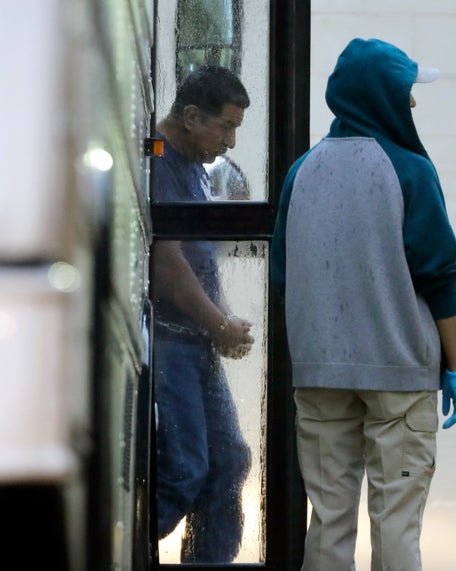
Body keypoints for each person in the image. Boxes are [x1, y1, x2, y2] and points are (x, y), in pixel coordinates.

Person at [271, 38, 456, 570]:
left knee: (329, 522)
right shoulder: (409, 170)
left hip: (319, 377)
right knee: (396, 525)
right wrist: (454, 368)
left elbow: (283, 274)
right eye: (407, 91)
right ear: (382, 95)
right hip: (400, 376)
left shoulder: (301, 171)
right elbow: (441, 278)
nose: (412, 103)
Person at [150, 65, 255, 563]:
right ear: (191, 116)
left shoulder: (193, 162)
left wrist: (223, 322)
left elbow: (198, 260)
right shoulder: (158, 159)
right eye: (226, 126)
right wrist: (219, 324)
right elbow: (168, 265)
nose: (230, 141)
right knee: (183, 471)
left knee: (229, 460)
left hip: (196, 341)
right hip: (171, 342)